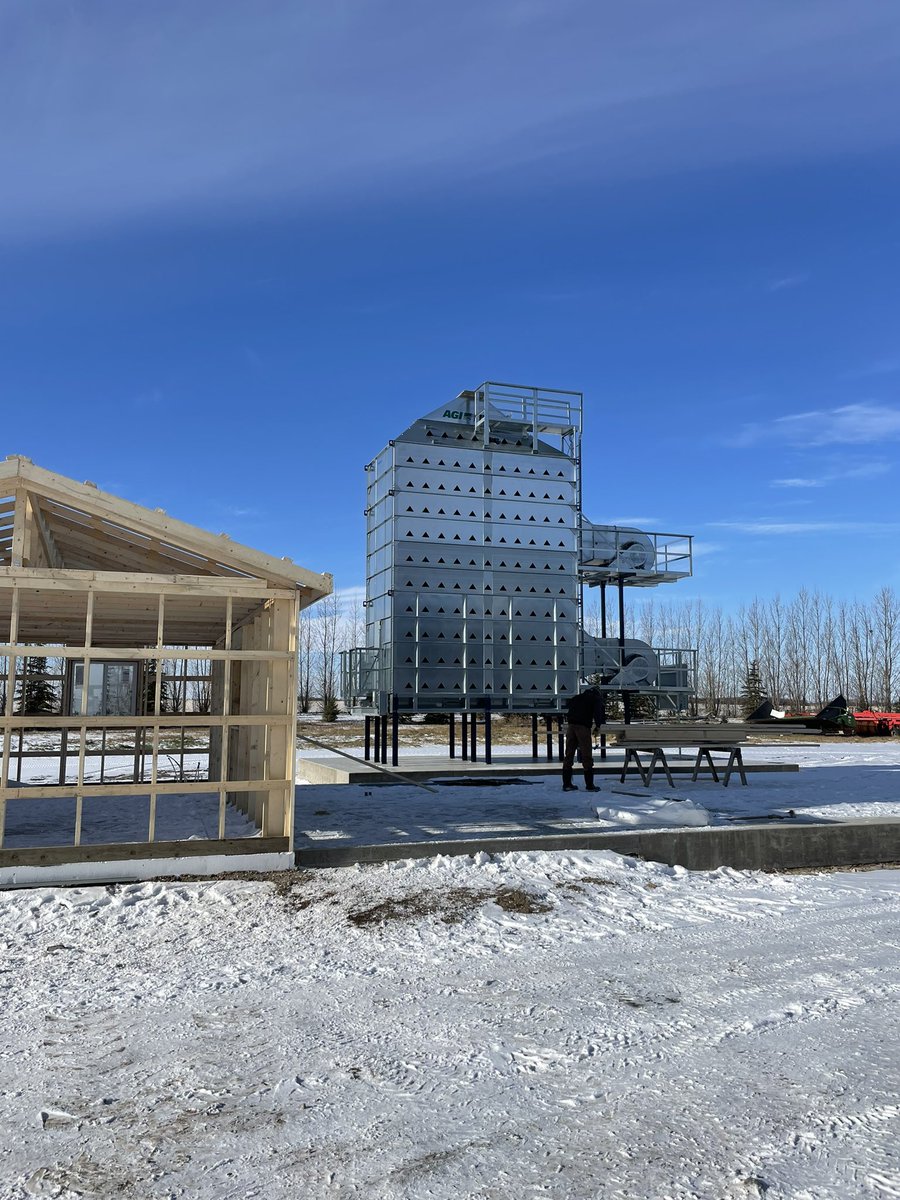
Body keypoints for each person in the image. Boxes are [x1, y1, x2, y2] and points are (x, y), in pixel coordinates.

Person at [562, 685, 604, 792]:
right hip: (583, 727)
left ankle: (567, 784)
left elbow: (569, 711)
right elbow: (598, 713)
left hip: (571, 727)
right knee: (586, 755)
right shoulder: (595, 698)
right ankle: (590, 785)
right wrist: (598, 726)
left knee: (569, 754)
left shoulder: (576, 697)